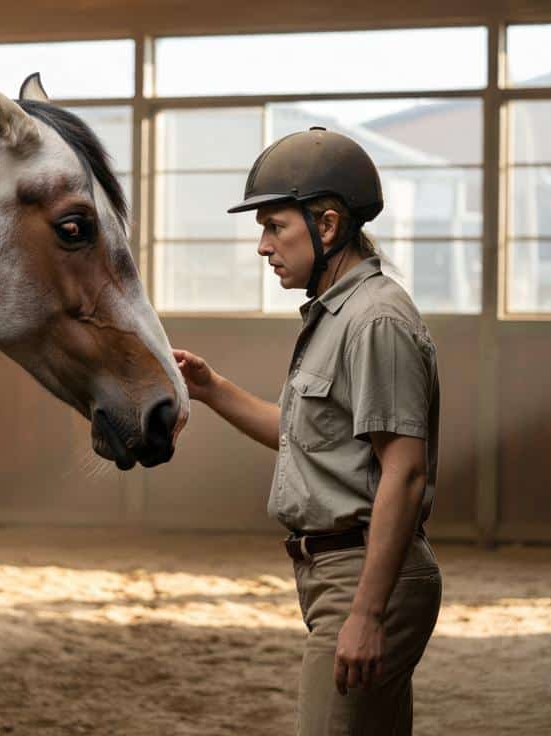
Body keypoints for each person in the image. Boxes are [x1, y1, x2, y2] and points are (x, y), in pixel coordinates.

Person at [172, 127, 442, 735]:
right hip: (335, 573)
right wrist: (212, 387)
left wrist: (367, 613)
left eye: (275, 227)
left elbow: (405, 469)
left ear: (325, 226)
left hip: (364, 573)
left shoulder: (374, 320)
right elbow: (309, 441)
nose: (264, 246)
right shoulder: (336, 315)